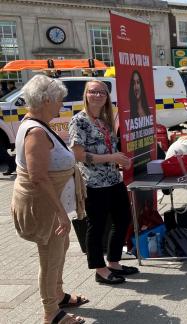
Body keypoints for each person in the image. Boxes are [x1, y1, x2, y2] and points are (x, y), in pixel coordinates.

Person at [11, 75, 88, 324]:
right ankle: (51, 313)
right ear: (46, 100)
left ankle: (58, 294)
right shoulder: (35, 131)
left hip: (52, 207)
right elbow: (38, 178)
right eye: (59, 101)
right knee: (50, 258)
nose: (61, 106)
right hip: (46, 210)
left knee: (60, 249)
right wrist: (60, 213)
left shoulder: (38, 124)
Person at [69, 80, 139, 285]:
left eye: (103, 92)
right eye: (93, 92)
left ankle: (114, 262)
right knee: (97, 226)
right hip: (93, 183)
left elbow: (109, 150)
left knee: (123, 219)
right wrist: (112, 158)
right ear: (86, 95)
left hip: (113, 179)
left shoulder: (104, 120)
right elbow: (79, 155)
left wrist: (121, 161)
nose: (98, 95)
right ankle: (100, 269)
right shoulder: (79, 121)